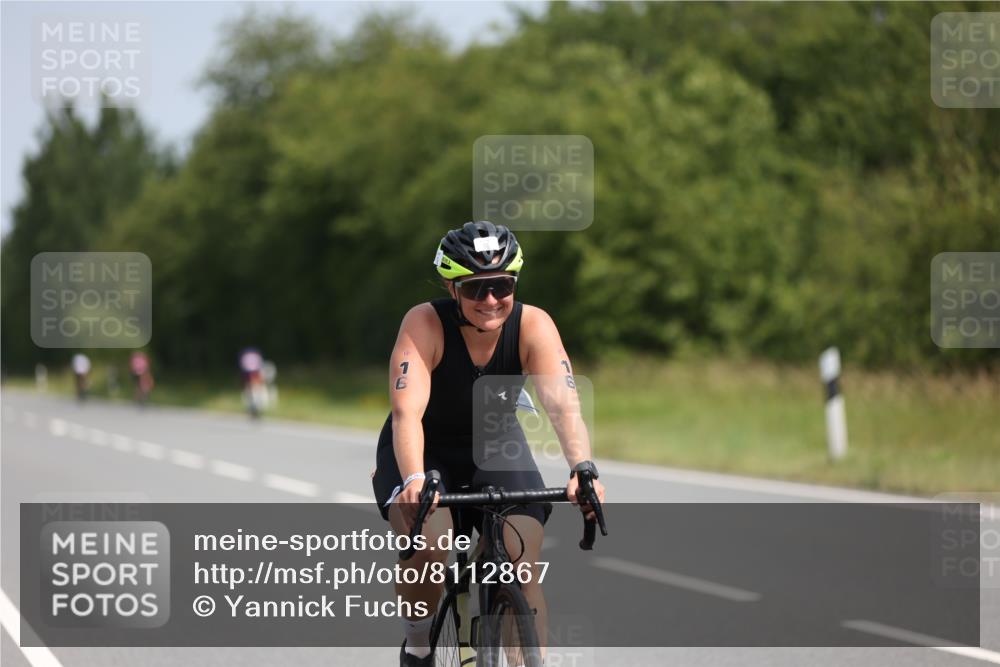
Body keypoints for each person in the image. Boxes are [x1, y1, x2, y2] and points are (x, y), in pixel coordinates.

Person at [371, 221, 606, 666]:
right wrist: (415, 478)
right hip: (425, 449)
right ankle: (419, 643)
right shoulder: (425, 323)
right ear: (451, 286)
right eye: (476, 289)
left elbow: (562, 404)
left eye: (501, 285)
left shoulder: (533, 324)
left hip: (497, 446)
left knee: (521, 556)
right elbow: (407, 413)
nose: (492, 300)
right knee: (432, 540)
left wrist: (583, 468)